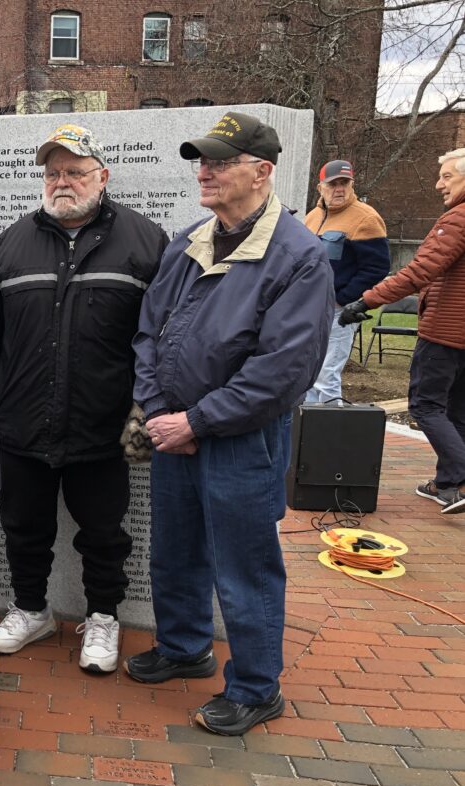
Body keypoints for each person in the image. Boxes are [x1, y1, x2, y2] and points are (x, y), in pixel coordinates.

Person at [128, 112, 333, 736]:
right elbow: (149, 331)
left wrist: (198, 420)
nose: (205, 170)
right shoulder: (190, 239)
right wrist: (159, 411)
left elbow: (283, 371)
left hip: (242, 440)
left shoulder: (299, 257)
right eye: (203, 159)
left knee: (245, 565)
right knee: (176, 550)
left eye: (220, 161)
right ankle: (186, 647)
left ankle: (255, 686)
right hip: (175, 433)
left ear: (262, 171)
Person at [0, 124, 167, 672]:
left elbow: (166, 334)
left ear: (102, 176)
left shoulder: (146, 241)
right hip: (22, 422)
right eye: (53, 172)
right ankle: (31, 609)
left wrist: (148, 413)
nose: (62, 181)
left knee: (104, 532)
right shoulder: (13, 241)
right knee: (23, 525)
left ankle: (103, 618)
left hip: (105, 426)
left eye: (75, 171)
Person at [339, 147, 465, 514]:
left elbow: (418, 272)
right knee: (457, 411)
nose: (438, 183)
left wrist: (365, 302)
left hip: (445, 333)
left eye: (447, 177)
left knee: (425, 405)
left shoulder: (456, 219)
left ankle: (459, 473)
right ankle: (447, 485)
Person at [303, 160, 390, 404]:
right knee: (307, 373)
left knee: (326, 375)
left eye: (344, 183)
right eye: (333, 184)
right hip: (310, 307)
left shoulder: (366, 218)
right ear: (321, 187)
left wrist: (342, 300)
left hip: (338, 311)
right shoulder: (314, 216)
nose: (339, 189)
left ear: (352, 185)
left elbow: (377, 268)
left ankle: (330, 434)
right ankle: (306, 433)